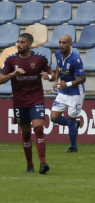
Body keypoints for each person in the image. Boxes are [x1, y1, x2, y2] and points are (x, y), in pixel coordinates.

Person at [0, 33, 55, 174]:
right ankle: (30, 165)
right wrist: (12, 74)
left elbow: (53, 75)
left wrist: (48, 76)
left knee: (39, 129)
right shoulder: (11, 60)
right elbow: (0, 79)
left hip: (36, 99)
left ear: (29, 44)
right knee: (25, 134)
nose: (19, 44)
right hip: (19, 102)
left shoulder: (39, 59)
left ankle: (43, 163)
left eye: (22, 42)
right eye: (18, 42)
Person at [50, 35, 86, 153]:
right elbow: (57, 67)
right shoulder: (58, 54)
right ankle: (74, 124)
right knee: (54, 117)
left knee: (70, 120)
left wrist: (68, 84)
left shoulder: (75, 59)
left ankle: (73, 146)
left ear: (70, 45)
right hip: (63, 91)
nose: (61, 45)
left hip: (75, 93)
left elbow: (82, 78)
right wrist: (55, 80)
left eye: (64, 43)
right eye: (60, 42)